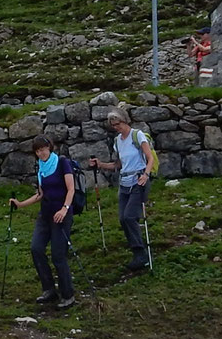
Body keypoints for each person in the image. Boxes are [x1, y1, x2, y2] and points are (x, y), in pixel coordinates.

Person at [11, 135, 77, 307]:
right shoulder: (40, 167)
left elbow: (71, 189)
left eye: (42, 149)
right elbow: (40, 194)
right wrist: (20, 204)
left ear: (49, 147)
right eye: (37, 151)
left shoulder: (62, 163)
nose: (40, 153)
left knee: (58, 254)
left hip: (61, 214)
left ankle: (68, 294)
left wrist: (65, 209)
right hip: (45, 214)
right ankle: (49, 289)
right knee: (36, 248)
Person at [90, 108, 153, 272]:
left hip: (138, 181)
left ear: (125, 121)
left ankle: (140, 254)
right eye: (113, 125)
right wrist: (100, 164)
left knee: (129, 217)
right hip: (124, 182)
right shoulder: (118, 141)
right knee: (123, 219)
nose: (116, 127)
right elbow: (118, 165)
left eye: (117, 124)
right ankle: (137, 252)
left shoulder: (137, 135)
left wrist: (146, 174)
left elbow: (150, 156)